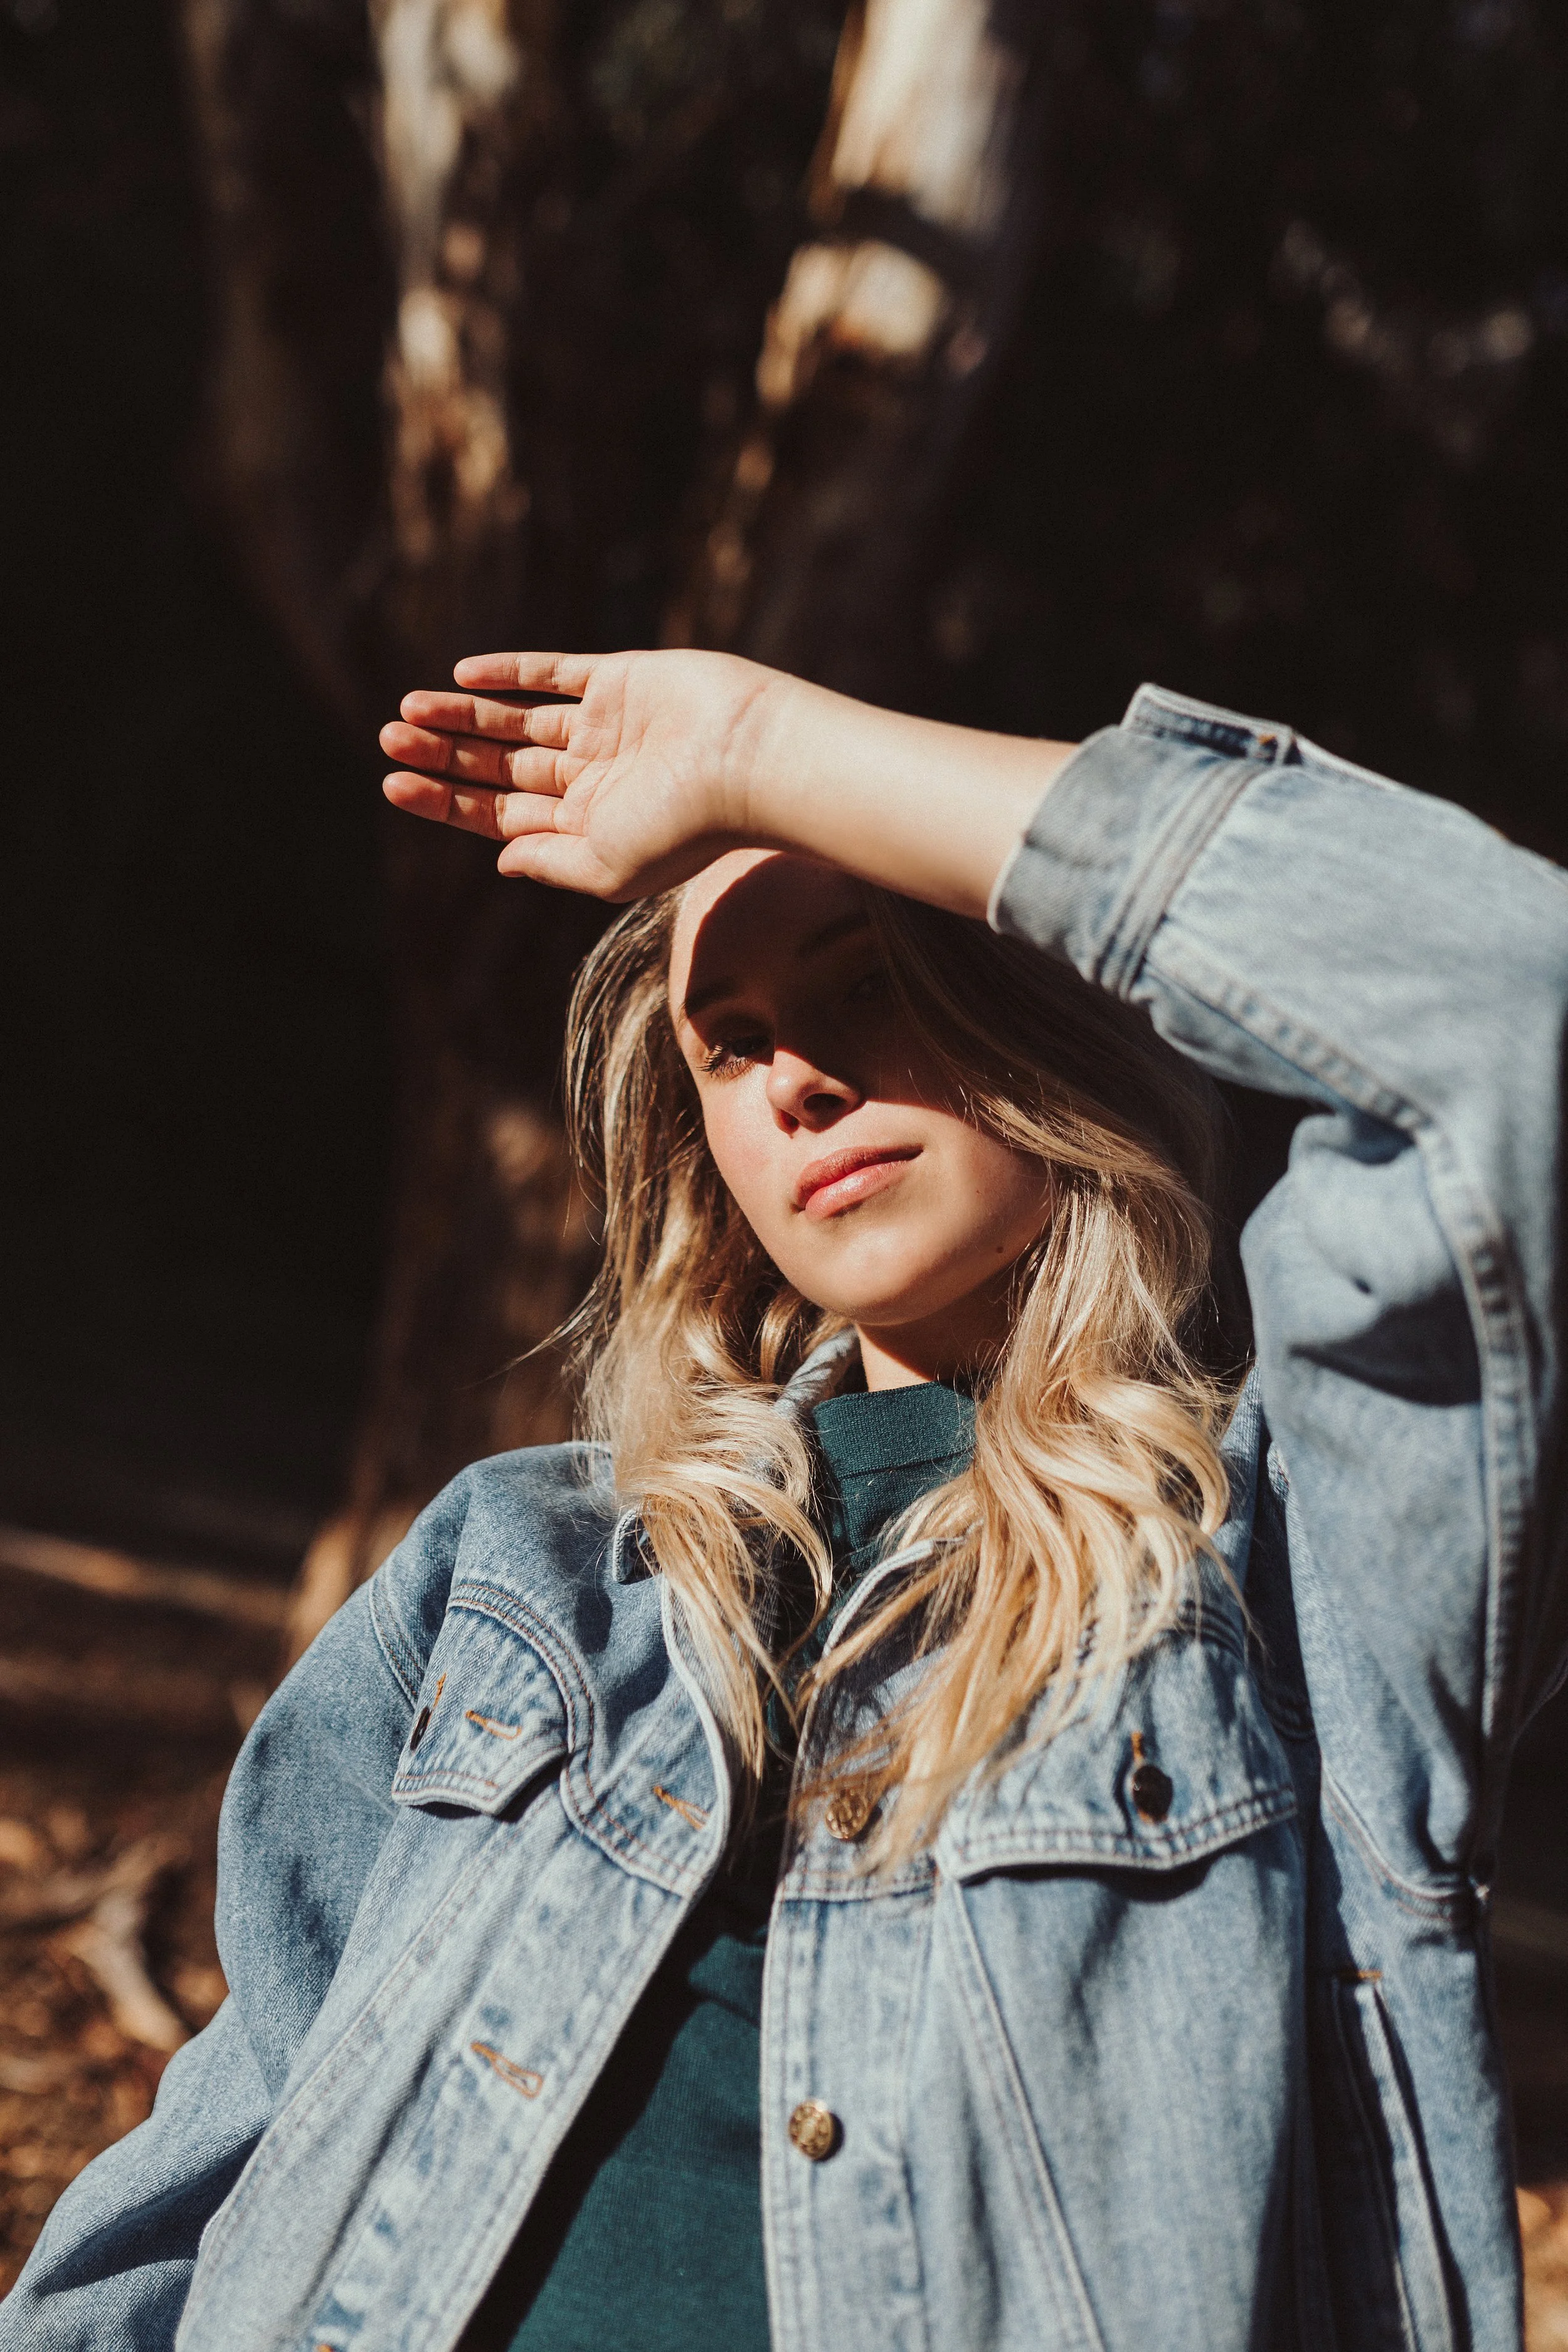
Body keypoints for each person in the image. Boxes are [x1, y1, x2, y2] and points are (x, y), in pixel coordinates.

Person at [5, 649, 1565, 2352]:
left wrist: (767, 750)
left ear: (1040, 1008)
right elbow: (229, 2148)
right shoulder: (527, 1571)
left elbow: (1500, 1001)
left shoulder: (1287, 1571)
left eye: (872, 981)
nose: (797, 1080)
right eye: (730, 1042)